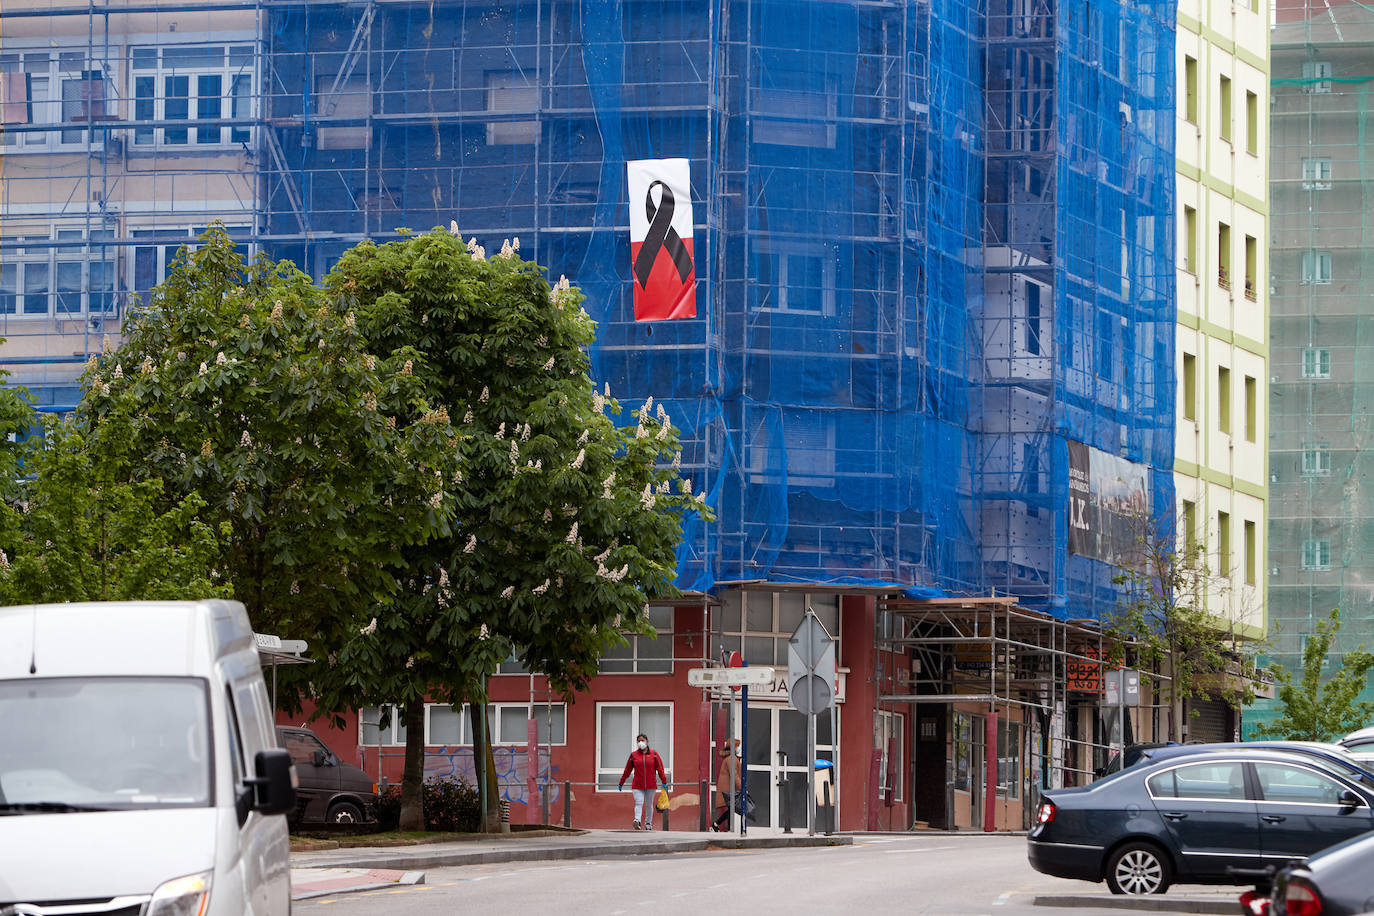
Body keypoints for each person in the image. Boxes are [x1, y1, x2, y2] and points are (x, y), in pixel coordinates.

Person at [617, 733, 667, 830]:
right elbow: (627, 770)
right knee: (639, 802)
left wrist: (664, 781)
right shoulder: (633, 755)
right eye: (639, 741)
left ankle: (648, 824)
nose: (641, 742)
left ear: (647, 742)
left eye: (642, 740)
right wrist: (621, 782)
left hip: (651, 785)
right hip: (637, 785)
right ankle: (637, 821)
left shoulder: (654, 754)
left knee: (649, 805)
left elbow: (660, 769)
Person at [713, 739, 743, 832]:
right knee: (731, 808)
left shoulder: (732, 758)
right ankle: (729, 828)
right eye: (738, 746)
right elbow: (734, 775)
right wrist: (741, 787)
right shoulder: (731, 759)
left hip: (729, 787)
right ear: (734, 747)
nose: (739, 748)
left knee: (731, 808)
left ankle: (716, 824)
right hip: (729, 788)